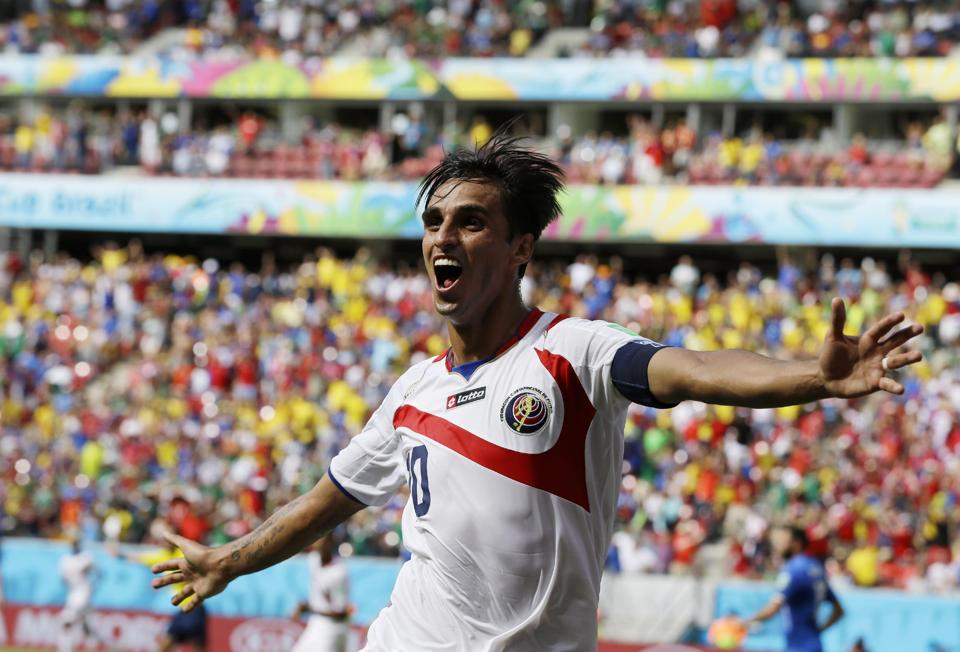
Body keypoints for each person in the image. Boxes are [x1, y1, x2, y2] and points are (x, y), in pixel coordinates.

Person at [151, 130, 925, 651]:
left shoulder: (573, 352)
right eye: (433, 221)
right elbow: (325, 502)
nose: (442, 237)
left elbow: (693, 369)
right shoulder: (412, 393)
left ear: (520, 248)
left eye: (470, 222)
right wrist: (229, 562)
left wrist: (812, 378)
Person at [744, 527, 845, 652]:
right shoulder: (815, 567)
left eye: (783, 541)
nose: (778, 545)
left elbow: (774, 607)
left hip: (798, 646)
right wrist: (820, 630)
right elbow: (839, 610)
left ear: (796, 543)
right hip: (815, 644)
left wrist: (746, 622)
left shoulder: (793, 570)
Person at [120, 522, 208, 651]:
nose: (164, 542)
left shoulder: (184, 554)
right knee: (166, 646)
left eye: (167, 538)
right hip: (185, 609)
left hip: (194, 607)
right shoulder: (163, 555)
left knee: (171, 645)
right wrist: (120, 554)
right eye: (162, 538)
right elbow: (141, 558)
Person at [290, 536, 351, 652]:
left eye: (324, 539)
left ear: (330, 542)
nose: (320, 542)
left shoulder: (339, 572)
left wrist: (309, 608)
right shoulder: (313, 559)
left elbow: (340, 612)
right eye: (318, 538)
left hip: (332, 628)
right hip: (316, 623)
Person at [58, 539, 103, 652]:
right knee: (87, 626)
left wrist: (92, 585)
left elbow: (98, 572)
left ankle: (65, 649)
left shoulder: (86, 558)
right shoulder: (65, 560)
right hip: (73, 594)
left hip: (83, 594)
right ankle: (101, 645)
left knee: (67, 621)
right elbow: (63, 579)